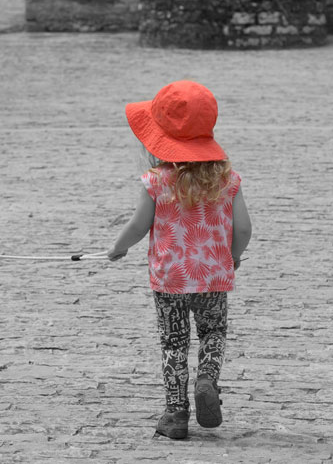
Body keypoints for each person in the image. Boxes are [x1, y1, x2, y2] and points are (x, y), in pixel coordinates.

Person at [106, 80, 252, 440]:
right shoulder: (227, 180)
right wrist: (232, 257)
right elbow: (244, 228)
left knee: (173, 343)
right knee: (213, 332)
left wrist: (118, 247)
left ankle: (175, 414)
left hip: (170, 278)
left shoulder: (157, 181)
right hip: (213, 276)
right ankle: (207, 380)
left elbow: (139, 225)